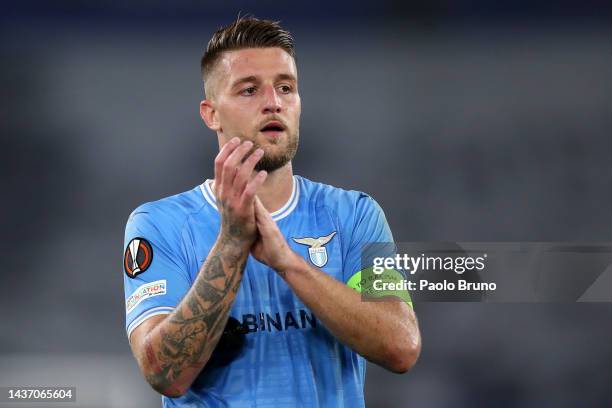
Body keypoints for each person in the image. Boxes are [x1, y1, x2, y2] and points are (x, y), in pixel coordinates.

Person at [122, 17, 421, 407]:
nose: (273, 101)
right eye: (249, 90)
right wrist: (231, 244)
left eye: (286, 87)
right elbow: (164, 373)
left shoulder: (354, 216)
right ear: (211, 114)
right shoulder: (159, 225)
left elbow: (401, 347)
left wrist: (288, 263)